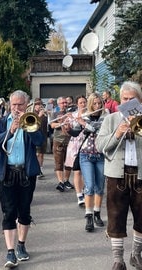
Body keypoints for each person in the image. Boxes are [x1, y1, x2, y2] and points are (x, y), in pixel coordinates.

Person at [0, 90, 44, 268]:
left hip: (26, 173)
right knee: (9, 212)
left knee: (25, 211)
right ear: (9, 105)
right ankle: (10, 251)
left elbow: (40, 141)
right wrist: (10, 131)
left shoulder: (31, 120)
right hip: (7, 173)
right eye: (14, 104)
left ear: (26, 105)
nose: (17, 108)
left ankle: (21, 245)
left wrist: (29, 125)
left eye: (20, 104)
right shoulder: (1, 122)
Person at [95, 81, 142, 270]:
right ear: (120, 100)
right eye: (125, 99)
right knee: (116, 216)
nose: (128, 102)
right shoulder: (111, 119)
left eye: (133, 99)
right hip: (116, 174)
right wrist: (117, 134)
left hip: (140, 173)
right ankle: (118, 260)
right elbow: (100, 147)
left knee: (141, 216)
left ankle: (136, 255)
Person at [69, 93, 108, 232]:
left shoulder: (106, 116)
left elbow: (98, 129)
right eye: (95, 103)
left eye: (99, 103)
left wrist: (84, 123)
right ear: (91, 104)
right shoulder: (85, 115)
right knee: (89, 186)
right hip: (86, 155)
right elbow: (77, 132)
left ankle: (97, 213)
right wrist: (68, 128)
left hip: (100, 155)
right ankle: (89, 216)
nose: (97, 106)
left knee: (99, 187)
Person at [65, 96, 88, 206]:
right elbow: (69, 131)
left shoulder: (90, 114)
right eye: (81, 103)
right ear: (77, 104)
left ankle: (85, 190)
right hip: (75, 144)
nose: (83, 104)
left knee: (86, 171)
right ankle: (79, 195)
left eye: (84, 102)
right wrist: (67, 127)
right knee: (77, 170)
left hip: (87, 143)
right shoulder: (73, 115)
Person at [50, 96, 74, 192]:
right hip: (58, 140)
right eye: (62, 103)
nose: (64, 104)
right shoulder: (54, 113)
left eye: (65, 103)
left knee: (69, 163)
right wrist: (61, 123)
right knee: (59, 162)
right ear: (58, 104)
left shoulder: (70, 113)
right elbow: (52, 125)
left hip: (69, 140)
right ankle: (60, 182)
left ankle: (66, 180)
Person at [33, 100, 48, 178]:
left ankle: (40, 169)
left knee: (41, 154)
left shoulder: (44, 114)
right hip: (36, 135)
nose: (40, 106)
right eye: (38, 105)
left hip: (43, 135)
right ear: (35, 106)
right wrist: (39, 115)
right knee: (37, 154)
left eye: (41, 105)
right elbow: (32, 123)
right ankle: (36, 169)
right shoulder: (33, 114)